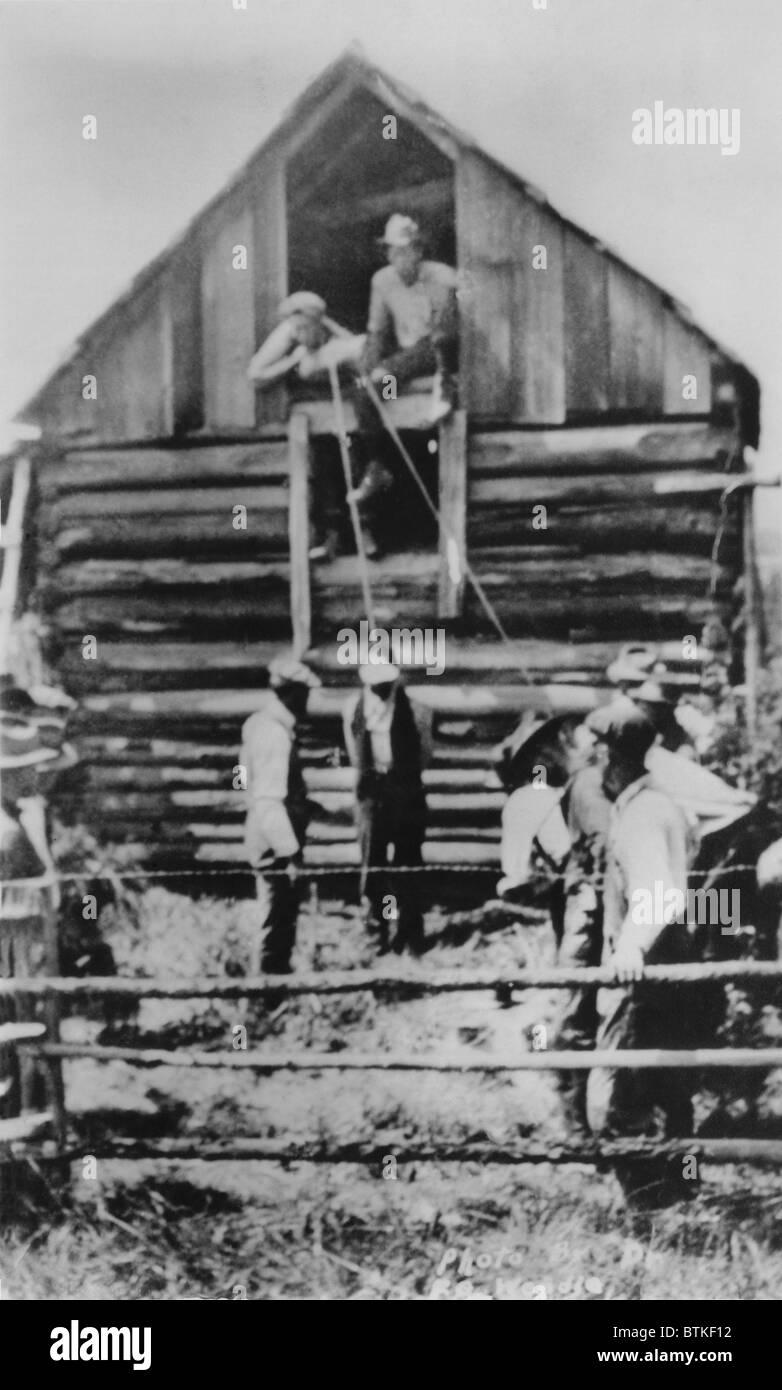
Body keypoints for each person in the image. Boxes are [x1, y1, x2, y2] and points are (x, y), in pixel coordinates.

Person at [585, 697, 701, 1205]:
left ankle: (649, 1211)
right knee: (668, 1086)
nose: (595, 767)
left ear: (614, 758)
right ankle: (684, 1198)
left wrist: (630, 946)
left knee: (613, 1099)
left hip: (644, 972)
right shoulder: (659, 803)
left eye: (598, 755)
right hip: (674, 964)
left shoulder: (642, 815)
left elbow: (659, 891)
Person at [345, 215, 459, 541]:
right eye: (392, 253)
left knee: (431, 346)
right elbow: (377, 332)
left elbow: (448, 329)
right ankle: (377, 466)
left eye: (405, 252)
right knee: (371, 389)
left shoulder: (441, 277)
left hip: (437, 351)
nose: (398, 259)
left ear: (419, 250)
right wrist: (367, 366)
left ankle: (445, 389)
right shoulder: (383, 281)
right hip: (406, 360)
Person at [248, 291, 366, 560]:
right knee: (321, 466)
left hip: (341, 406)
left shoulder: (334, 334)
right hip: (306, 411)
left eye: (305, 329)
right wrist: (293, 360)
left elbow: (365, 360)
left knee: (356, 459)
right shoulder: (287, 333)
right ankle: (330, 537)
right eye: (296, 329)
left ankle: (365, 534)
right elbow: (255, 375)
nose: (300, 334)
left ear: (319, 322)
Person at [240, 656, 321, 974]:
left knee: (280, 917)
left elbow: (250, 782)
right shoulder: (273, 733)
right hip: (274, 843)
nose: (307, 702)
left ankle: (274, 993)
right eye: (305, 693)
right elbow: (269, 801)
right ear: (291, 693)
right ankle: (268, 996)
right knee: (275, 921)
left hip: (268, 834)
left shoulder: (260, 724)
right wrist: (292, 855)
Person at [343, 661, 429, 955]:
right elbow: (356, 755)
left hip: (406, 792)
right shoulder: (352, 711)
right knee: (373, 865)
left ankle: (410, 934)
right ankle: (376, 932)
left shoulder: (417, 711)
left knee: (408, 864)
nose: (380, 691)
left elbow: (425, 754)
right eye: (375, 685)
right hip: (371, 794)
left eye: (386, 685)